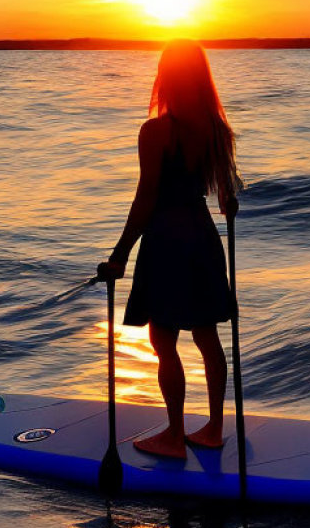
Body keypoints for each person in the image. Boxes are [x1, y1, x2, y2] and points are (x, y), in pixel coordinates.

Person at [97, 39, 241, 459]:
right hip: (202, 234)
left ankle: (175, 435)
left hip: (167, 237)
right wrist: (229, 205)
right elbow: (226, 200)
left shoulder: (157, 130)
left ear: (166, 76)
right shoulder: (217, 129)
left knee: (163, 336)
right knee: (207, 334)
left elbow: (146, 197)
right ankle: (213, 427)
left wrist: (120, 254)